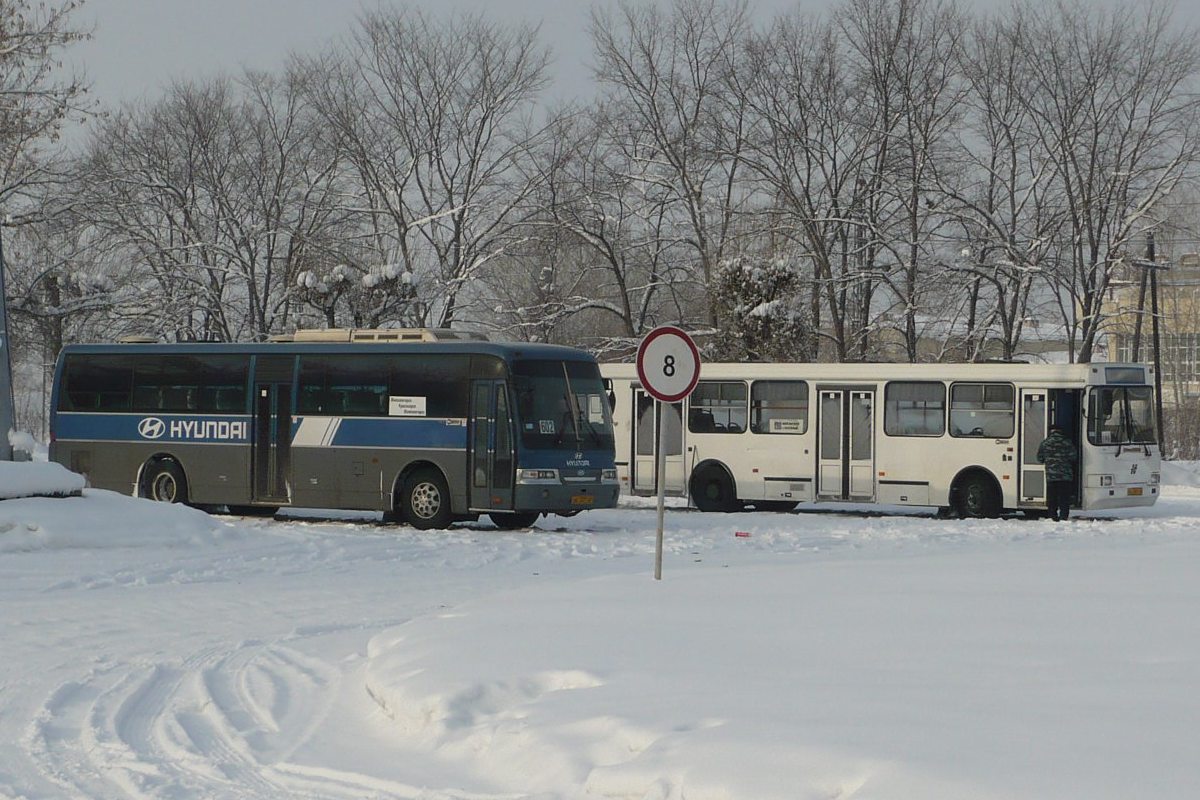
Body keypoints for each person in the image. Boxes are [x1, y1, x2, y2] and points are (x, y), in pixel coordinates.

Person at [1036, 424, 1078, 521]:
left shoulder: (1045, 443)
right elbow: (1073, 457)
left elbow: (1039, 458)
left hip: (1051, 476)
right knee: (1064, 498)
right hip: (1065, 476)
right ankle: (1063, 517)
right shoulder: (1067, 442)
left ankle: (1052, 517)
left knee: (1052, 499)